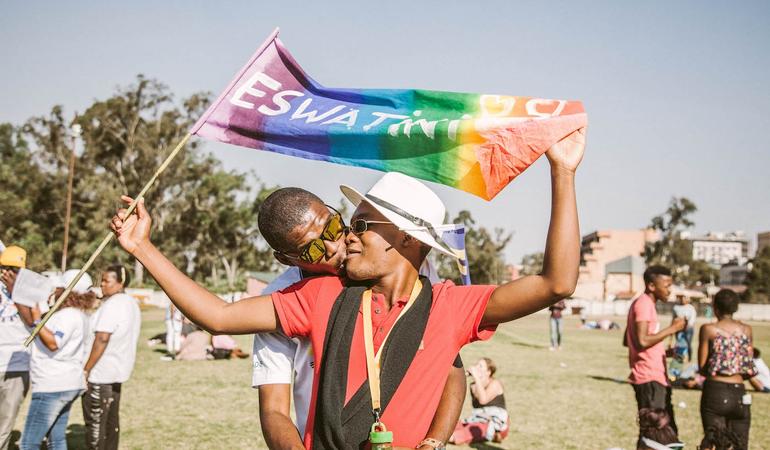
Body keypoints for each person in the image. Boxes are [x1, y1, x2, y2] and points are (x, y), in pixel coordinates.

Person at [109, 127, 585, 448]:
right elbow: (216, 316)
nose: (344, 240)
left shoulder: (450, 305)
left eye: (356, 225)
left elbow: (556, 283)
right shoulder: (319, 295)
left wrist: (562, 172)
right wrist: (143, 248)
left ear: (405, 237)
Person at [251, 190, 465, 448]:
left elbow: (450, 366)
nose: (335, 247)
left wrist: (434, 442)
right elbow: (274, 412)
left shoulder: (405, 269)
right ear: (286, 259)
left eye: (332, 227)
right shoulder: (276, 302)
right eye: (313, 249)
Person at [21, 271, 95, 450]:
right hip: (66, 382)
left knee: (28, 443)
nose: (55, 291)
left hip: (53, 385)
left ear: (68, 291)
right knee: (56, 440)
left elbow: (54, 343)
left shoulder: (69, 315)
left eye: (59, 288)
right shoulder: (76, 314)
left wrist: (37, 318)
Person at [82, 265, 141, 450]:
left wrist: (86, 369)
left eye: (107, 281)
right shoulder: (129, 302)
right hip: (116, 372)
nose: (102, 285)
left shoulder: (114, 305)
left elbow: (102, 337)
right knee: (110, 424)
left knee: (96, 427)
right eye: (102, 281)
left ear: (121, 282)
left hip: (100, 374)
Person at [624, 265, 686, 436]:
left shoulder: (644, 304)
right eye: (666, 285)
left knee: (666, 432)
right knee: (656, 434)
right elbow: (642, 340)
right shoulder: (644, 304)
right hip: (649, 378)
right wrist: (672, 329)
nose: (670, 290)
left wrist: (663, 352)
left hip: (654, 377)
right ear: (652, 286)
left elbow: (629, 340)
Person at [697, 289, 755, 450]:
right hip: (739, 392)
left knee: (715, 442)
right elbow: (747, 362)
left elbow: (702, 366)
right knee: (740, 443)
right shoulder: (747, 330)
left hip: (715, 391)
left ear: (715, 308)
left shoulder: (708, 329)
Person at [0, 246, 35, 450]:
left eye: (13, 268)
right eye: (4, 267)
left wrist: (15, 292)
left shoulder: (30, 289)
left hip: (16, 365)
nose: (7, 272)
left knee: (4, 423)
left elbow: (32, 322)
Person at [449, 358, 508, 445]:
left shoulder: (495, 384)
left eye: (480, 366)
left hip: (493, 423)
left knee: (469, 430)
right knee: (454, 425)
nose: (476, 368)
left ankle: (452, 437)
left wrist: (476, 377)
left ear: (488, 372)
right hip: (477, 419)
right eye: (476, 365)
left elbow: (483, 400)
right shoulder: (473, 386)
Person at [672, 296, 696, 362]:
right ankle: (680, 358)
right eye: (682, 298)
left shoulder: (691, 308)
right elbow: (674, 318)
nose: (683, 300)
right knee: (679, 344)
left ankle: (689, 358)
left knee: (688, 343)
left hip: (688, 329)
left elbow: (692, 318)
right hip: (678, 329)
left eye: (685, 298)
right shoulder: (676, 307)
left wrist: (688, 325)